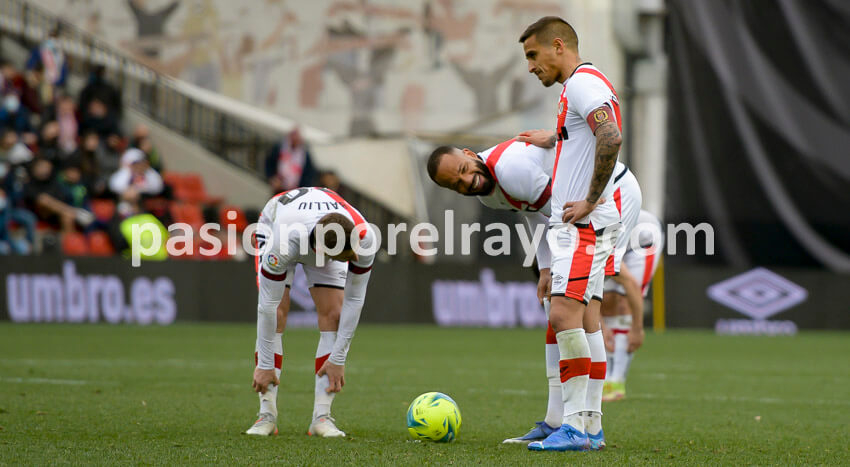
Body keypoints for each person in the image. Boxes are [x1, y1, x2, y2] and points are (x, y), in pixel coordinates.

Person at [426, 137, 641, 446]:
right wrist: (545, 268)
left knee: (576, 312)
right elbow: (533, 213)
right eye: (456, 184)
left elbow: (559, 212)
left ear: (470, 154)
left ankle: (584, 427)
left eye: (463, 169)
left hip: (612, 196)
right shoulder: (488, 196)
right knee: (568, 311)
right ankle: (564, 423)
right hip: (584, 209)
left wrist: (555, 265)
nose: (467, 181)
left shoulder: (509, 169)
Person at [517, 16, 625, 452]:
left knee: (563, 316)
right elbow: (586, 137)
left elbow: (610, 136)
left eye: (533, 55)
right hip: (582, 227)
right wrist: (555, 138)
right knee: (585, 321)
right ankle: (591, 426)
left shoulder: (582, 83)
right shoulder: (577, 88)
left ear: (558, 45)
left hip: (584, 226)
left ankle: (575, 427)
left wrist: (591, 200)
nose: (530, 66)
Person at [245, 186, 376, 438]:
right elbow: (267, 307)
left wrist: (338, 359)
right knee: (278, 314)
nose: (352, 257)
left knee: (334, 315)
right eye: (342, 257)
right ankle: (266, 415)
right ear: (322, 253)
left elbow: (354, 300)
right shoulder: (282, 243)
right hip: (275, 222)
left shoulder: (363, 238)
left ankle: (321, 418)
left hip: (318, 231)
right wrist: (265, 364)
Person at [602, 210, 664, 401]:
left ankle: (616, 381)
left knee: (623, 302)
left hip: (644, 239)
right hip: (613, 239)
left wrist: (637, 328)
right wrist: (600, 326)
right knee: (607, 301)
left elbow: (630, 285)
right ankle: (604, 378)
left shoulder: (596, 245)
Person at [109, 148, 164, 216]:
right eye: (135, 164)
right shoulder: (125, 173)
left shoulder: (149, 173)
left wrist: (138, 190)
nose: (138, 166)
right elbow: (115, 186)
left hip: (146, 203)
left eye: (140, 163)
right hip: (126, 204)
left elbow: (158, 187)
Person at [264, 128, 316, 194]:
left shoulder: (304, 154)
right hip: (279, 186)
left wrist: (303, 188)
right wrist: (272, 177)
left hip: (295, 189)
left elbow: (309, 173)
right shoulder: (280, 148)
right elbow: (269, 163)